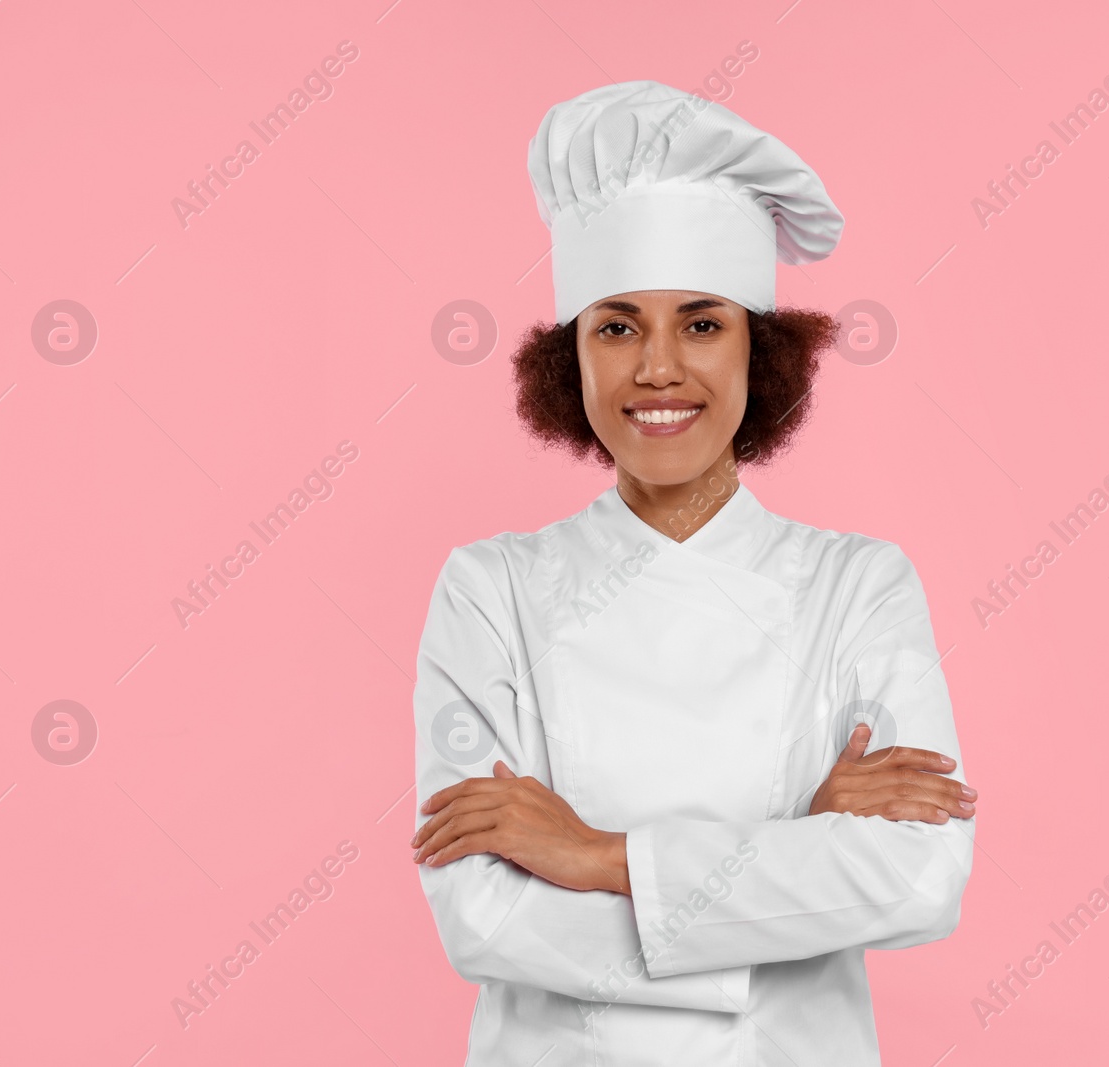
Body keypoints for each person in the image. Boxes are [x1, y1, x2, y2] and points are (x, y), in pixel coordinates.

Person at [411, 79, 976, 1066]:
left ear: (762, 352)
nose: (659, 368)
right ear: (570, 358)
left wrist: (595, 857)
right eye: (617, 326)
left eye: (703, 323)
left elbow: (918, 879)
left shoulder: (858, 585)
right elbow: (484, 919)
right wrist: (794, 868)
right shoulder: (489, 587)